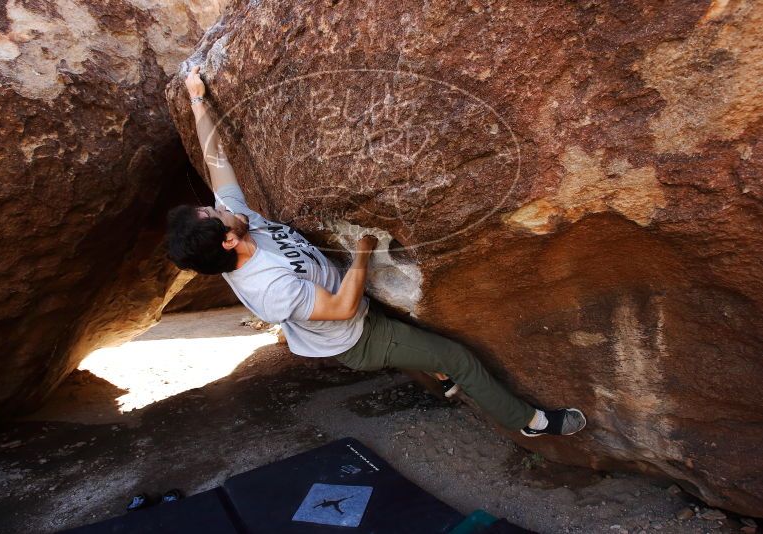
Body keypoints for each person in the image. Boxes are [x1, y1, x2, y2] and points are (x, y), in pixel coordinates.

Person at [165, 65, 586, 438]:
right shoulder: (267, 288)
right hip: (355, 338)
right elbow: (345, 307)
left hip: (347, 305)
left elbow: (216, 161)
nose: (220, 205)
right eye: (213, 212)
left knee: (409, 332)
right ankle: (529, 422)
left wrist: (198, 100)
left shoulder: (236, 223)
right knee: (455, 355)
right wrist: (363, 250)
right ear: (228, 241)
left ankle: (439, 377)